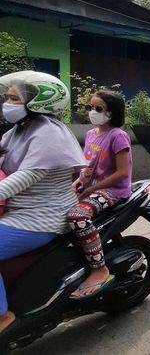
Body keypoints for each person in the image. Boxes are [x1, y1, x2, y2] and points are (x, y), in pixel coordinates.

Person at [0, 71, 87, 333]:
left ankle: (3, 316)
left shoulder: (48, 133)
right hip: (19, 210)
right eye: (7, 97)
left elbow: (27, 176)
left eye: (14, 98)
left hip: (42, 216)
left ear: (39, 101)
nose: (7, 102)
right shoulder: (16, 131)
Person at [67, 90, 132, 299]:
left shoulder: (118, 136)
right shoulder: (90, 134)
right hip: (90, 187)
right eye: (90, 107)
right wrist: (78, 183)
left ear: (111, 113)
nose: (92, 112)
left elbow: (123, 172)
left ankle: (99, 268)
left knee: (77, 217)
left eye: (98, 109)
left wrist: (92, 189)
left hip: (113, 191)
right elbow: (87, 166)